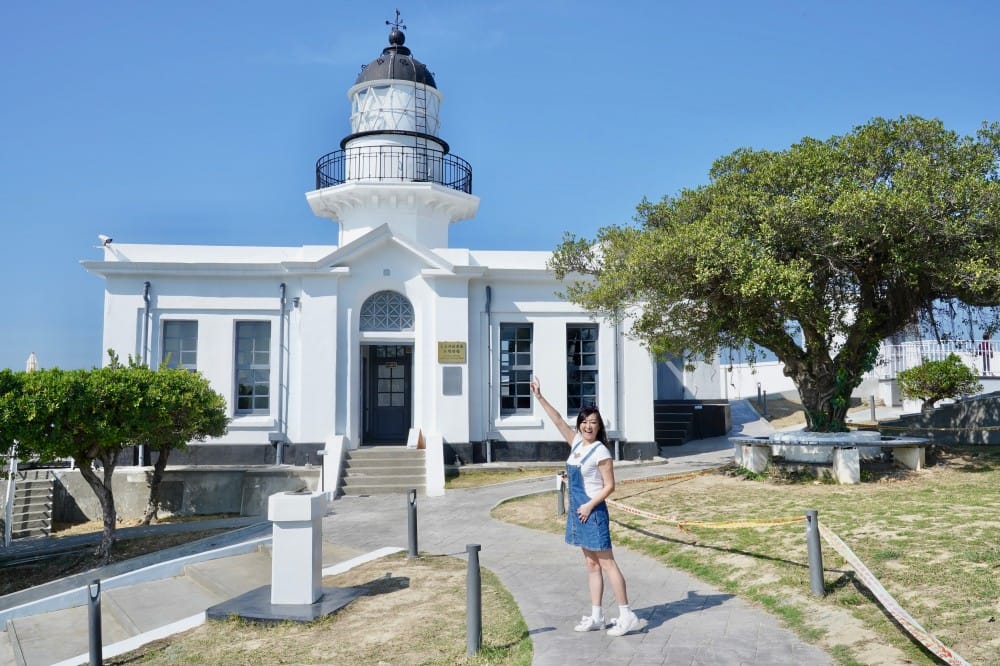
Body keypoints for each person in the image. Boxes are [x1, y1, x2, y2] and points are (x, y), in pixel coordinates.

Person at [530, 376, 641, 637]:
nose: (588, 426)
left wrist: (590, 506)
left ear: (599, 426)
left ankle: (627, 615)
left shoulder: (601, 451)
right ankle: (597, 616)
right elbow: (557, 419)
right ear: (579, 424)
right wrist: (539, 396)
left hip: (593, 513)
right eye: (584, 421)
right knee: (591, 566)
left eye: (593, 422)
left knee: (608, 564)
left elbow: (609, 486)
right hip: (578, 513)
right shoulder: (577, 443)